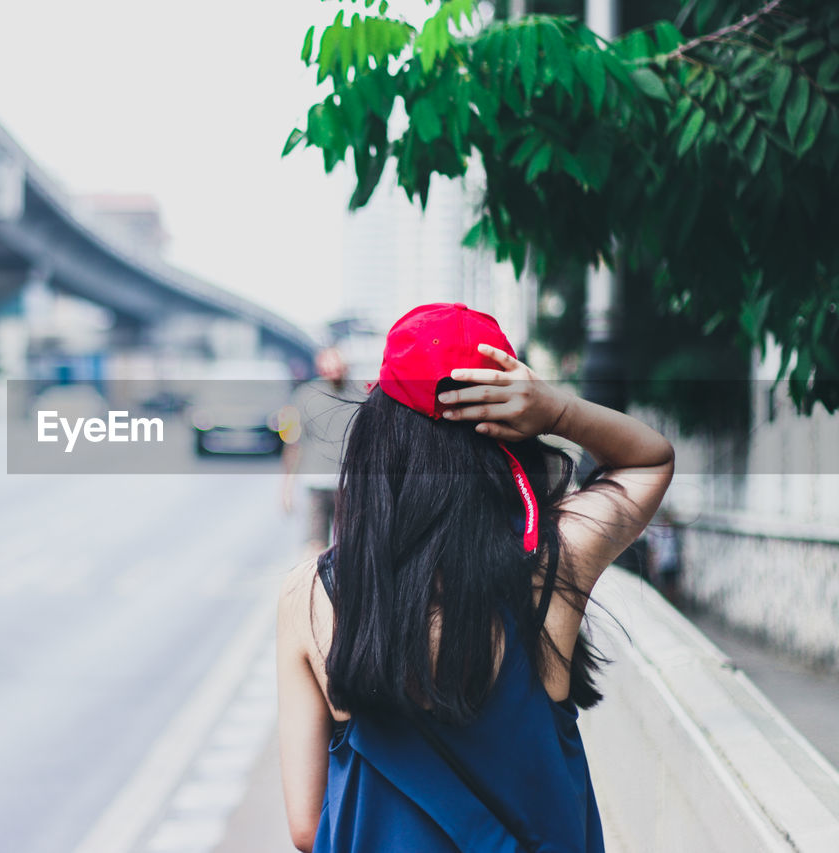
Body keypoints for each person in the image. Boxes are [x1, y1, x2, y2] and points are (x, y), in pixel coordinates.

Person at [276, 303, 674, 852]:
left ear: (378, 439)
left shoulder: (311, 595)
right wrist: (557, 411)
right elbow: (649, 461)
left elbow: (305, 826)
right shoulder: (552, 564)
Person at [281, 348, 369, 553]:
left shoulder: (363, 394)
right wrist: (287, 488)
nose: (333, 371)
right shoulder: (305, 396)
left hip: (351, 484)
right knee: (314, 547)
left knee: (351, 546)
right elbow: (294, 443)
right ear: (319, 368)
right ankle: (313, 584)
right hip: (316, 483)